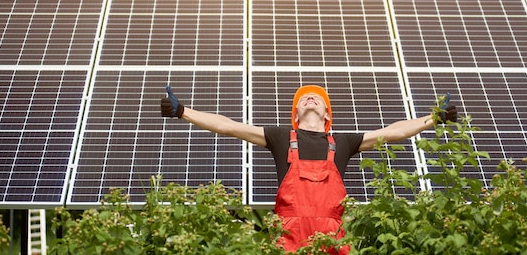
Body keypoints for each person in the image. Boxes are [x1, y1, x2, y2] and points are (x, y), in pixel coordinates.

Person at [160, 84, 457, 253]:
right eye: (303, 99)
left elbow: (393, 132)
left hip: (334, 237)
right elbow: (228, 126)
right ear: (295, 114)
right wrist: (184, 112)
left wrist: (434, 118)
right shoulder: (279, 138)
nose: (310, 98)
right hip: (288, 236)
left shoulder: (342, 141)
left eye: (317, 97)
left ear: (327, 114)